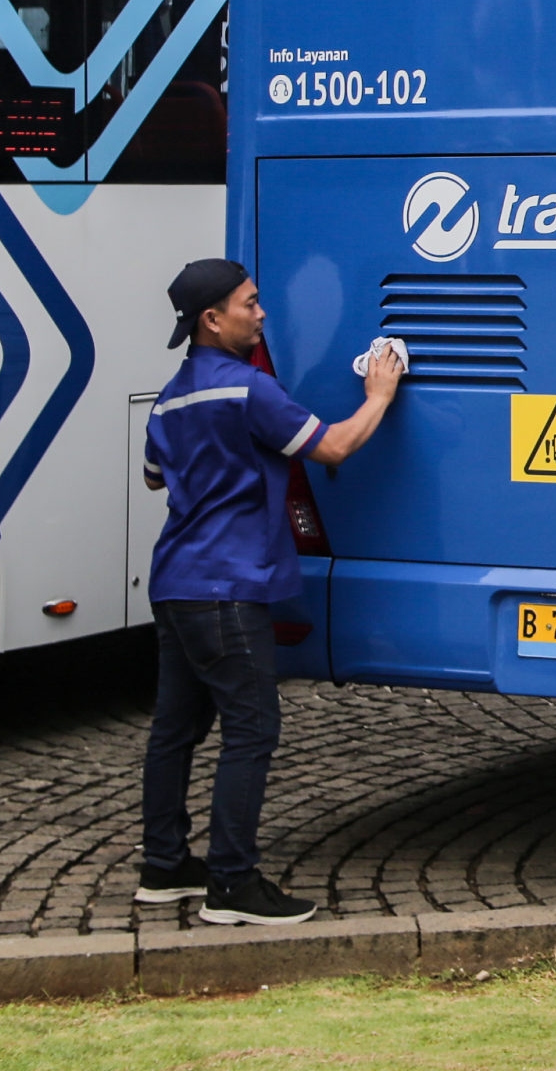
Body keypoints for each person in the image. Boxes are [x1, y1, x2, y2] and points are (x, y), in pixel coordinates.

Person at [133, 259, 401, 926]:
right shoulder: (250, 391)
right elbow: (334, 447)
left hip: (174, 583)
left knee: (174, 730)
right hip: (227, 588)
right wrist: (380, 395)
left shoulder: (170, 398)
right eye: (249, 305)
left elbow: (152, 479)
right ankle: (231, 884)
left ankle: (163, 867)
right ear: (212, 320)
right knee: (251, 729)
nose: (261, 314)